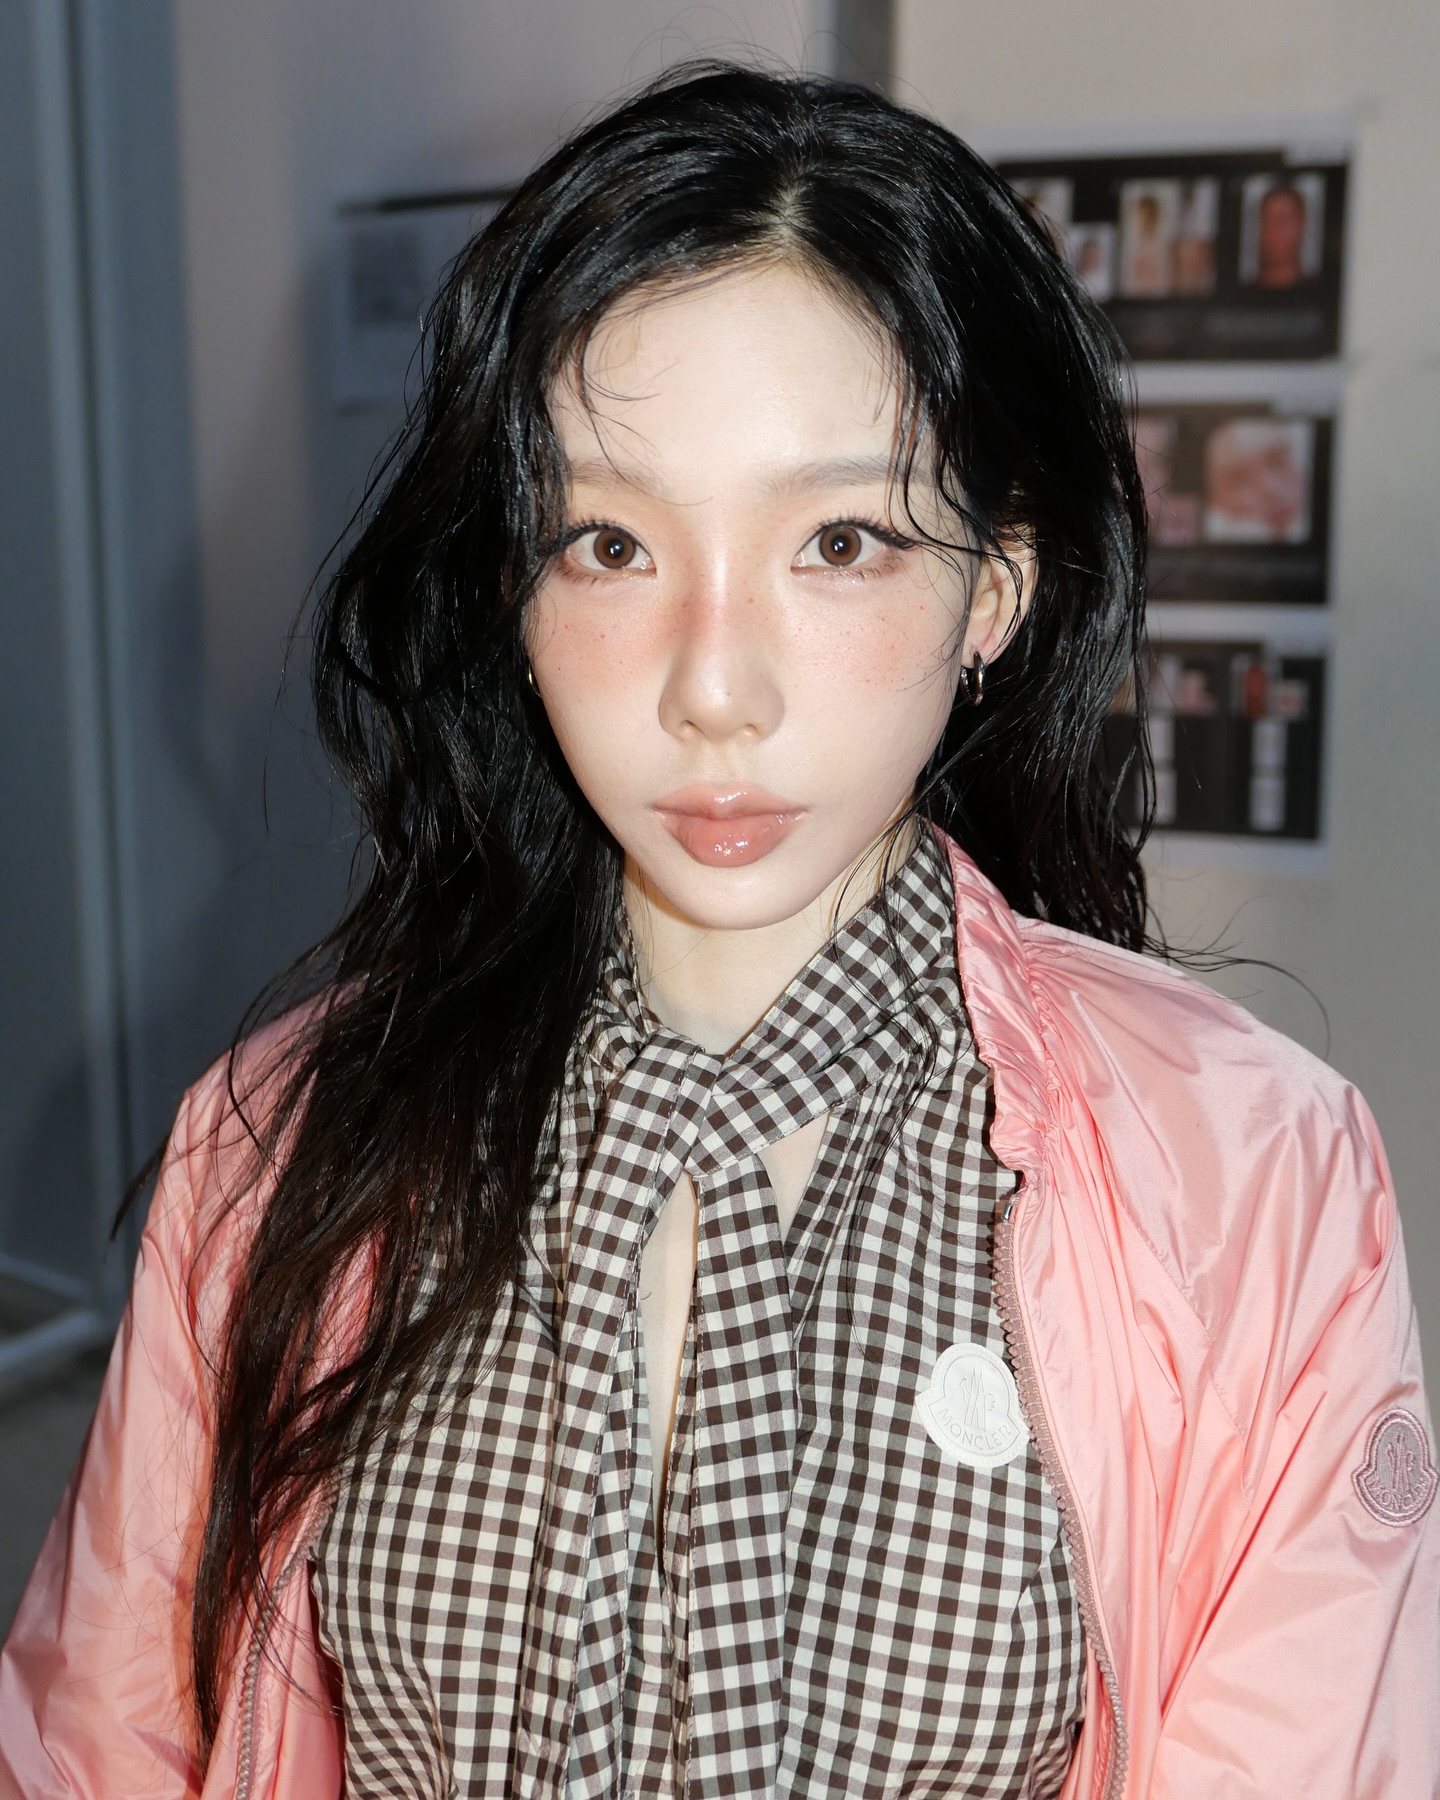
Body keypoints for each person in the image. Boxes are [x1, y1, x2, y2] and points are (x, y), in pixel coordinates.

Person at [2, 64, 1436, 1800]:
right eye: (611, 543)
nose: (712, 687)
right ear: (515, 586)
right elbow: (101, 1742)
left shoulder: (1249, 1171)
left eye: (838, 540)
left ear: (996, 583)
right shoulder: (277, 1147)